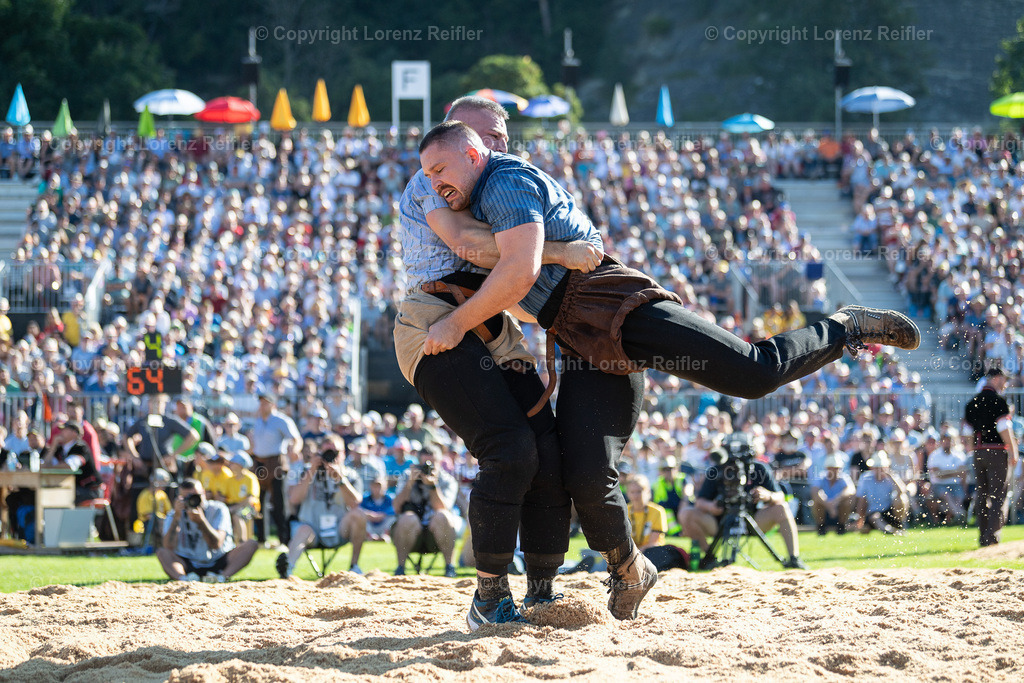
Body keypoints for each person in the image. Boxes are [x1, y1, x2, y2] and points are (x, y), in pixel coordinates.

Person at [392, 96, 616, 628]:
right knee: (509, 448)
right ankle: (488, 598)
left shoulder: (504, 182)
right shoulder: (435, 176)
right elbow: (469, 244)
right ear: (456, 139)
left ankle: (542, 590)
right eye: (486, 137)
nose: (498, 147)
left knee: (548, 450)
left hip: (493, 325)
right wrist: (556, 252)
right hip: (433, 318)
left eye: (503, 138)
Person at [677, 440, 806, 569]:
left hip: (753, 520)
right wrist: (711, 506)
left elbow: (780, 496)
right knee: (686, 513)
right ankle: (710, 559)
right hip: (719, 521)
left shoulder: (758, 468)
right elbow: (700, 501)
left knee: (782, 508)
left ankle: (794, 558)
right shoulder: (715, 470)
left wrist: (768, 496)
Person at [276, 436, 367, 577]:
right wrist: (312, 470)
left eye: (334, 452)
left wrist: (340, 479)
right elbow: (294, 499)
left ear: (343, 453)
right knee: (303, 530)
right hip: (313, 529)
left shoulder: (351, 475)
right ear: (319, 454)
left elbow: (355, 503)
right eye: (327, 452)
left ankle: (354, 566)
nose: (330, 457)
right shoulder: (306, 470)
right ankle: (288, 569)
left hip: (339, 528)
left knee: (359, 515)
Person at [157, 479, 258, 582]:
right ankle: (184, 579)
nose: (193, 500)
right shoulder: (173, 514)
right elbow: (168, 546)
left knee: (251, 544)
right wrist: (176, 518)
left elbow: (216, 544)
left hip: (219, 559)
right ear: (180, 498)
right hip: (188, 561)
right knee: (162, 552)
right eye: (187, 498)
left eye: (196, 496)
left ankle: (221, 577)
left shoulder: (219, 509)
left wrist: (201, 522)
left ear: (204, 493)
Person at [964, 367, 1019, 546]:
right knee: (998, 496)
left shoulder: (972, 403)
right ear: (996, 378)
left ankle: (983, 536)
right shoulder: (999, 401)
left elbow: (966, 433)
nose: (1006, 383)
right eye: (1004, 379)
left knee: (982, 494)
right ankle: (992, 536)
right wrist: (1013, 450)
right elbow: (1004, 428)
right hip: (996, 452)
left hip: (978, 452)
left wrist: (974, 449)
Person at [391, 445, 460, 577]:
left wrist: (432, 486)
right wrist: (410, 483)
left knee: (443, 516)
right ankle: (400, 568)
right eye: (424, 465)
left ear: (440, 463)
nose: (427, 468)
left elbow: (444, 508)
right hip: (410, 534)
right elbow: (396, 507)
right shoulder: (407, 476)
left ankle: (450, 567)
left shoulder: (447, 480)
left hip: (436, 535)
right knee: (407, 517)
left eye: (432, 464)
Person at [248, 394, 301, 546]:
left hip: (276, 462)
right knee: (259, 502)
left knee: (279, 503)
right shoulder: (257, 422)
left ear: (273, 405)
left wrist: (295, 450)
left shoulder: (281, 420)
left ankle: (284, 540)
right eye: (261, 403)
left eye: (266, 403)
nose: (263, 406)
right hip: (259, 463)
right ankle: (262, 539)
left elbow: (296, 438)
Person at [125, 394, 200, 480]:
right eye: (153, 402)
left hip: (164, 466)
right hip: (144, 467)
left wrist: (173, 455)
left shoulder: (169, 421)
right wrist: (135, 456)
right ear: (148, 403)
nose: (156, 405)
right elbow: (126, 436)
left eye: (159, 402)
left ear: (164, 404)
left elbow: (193, 436)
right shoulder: (143, 421)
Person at [43, 421, 101, 504]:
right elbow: (45, 463)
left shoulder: (81, 447)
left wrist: (49, 467)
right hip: (74, 487)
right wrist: (53, 446)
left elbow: (69, 466)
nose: (61, 432)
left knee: (60, 494)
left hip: (90, 490)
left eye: (65, 430)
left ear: (74, 433)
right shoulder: (60, 449)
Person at [853, 451, 909, 535]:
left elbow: (902, 491)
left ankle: (899, 524)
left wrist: (891, 477)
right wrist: (860, 520)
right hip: (872, 513)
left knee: (901, 498)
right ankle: (889, 531)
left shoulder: (891, 477)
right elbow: (862, 500)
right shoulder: (865, 478)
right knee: (875, 517)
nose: (879, 470)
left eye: (881, 467)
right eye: (876, 467)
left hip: (889, 511)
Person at [926, 428, 969, 524]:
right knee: (946, 495)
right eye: (945, 440)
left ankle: (953, 518)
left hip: (955, 484)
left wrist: (945, 472)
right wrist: (954, 473)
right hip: (938, 485)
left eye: (949, 440)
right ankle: (959, 514)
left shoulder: (959, 455)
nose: (947, 443)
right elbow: (938, 475)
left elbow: (962, 473)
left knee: (958, 498)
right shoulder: (934, 455)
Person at [810, 453, 856, 535]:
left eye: (837, 468)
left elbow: (851, 490)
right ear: (828, 468)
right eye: (833, 468)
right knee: (816, 501)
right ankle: (821, 526)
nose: (836, 471)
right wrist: (829, 505)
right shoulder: (821, 477)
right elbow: (815, 492)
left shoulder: (844, 477)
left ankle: (841, 525)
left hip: (837, 507)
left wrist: (835, 501)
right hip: (826, 508)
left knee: (848, 501)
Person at [222, 451, 260, 543]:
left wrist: (234, 508)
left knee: (237, 515)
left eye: (232, 463)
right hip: (233, 505)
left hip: (249, 507)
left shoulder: (250, 478)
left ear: (240, 465)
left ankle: (242, 542)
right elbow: (223, 496)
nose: (229, 465)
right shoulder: (230, 480)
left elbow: (249, 499)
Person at [135, 468, 173, 548]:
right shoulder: (145, 495)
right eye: (163, 481)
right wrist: (161, 519)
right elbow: (147, 515)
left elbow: (169, 511)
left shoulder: (162, 494)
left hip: (162, 521)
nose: (165, 484)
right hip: (148, 523)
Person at [360, 476, 396, 541]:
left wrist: (384, 514)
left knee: (393, 518)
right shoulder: (365, 498)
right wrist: (368, 514)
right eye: (374, 486)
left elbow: (395, 509)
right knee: (361, 518)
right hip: (370, 524)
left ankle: (386, 535)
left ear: (385, 487)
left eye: (379, 486)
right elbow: (359, 509)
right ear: (371, 487)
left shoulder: (390, 498)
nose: (377, 489)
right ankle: (370, 535)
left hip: (384, 523)